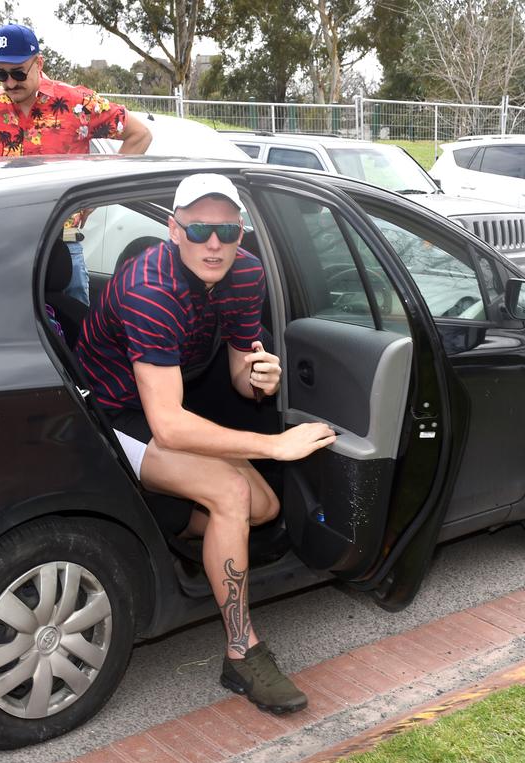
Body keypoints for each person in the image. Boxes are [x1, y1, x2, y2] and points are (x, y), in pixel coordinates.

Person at [76, 173, 337, 714]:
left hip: (163, 405)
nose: (213, 243)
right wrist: (277, 446)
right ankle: (242, 653)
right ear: (174, 230)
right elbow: (169, 426)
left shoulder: (245, 274)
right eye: (198, 229)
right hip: (105, 414)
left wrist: (259, 376)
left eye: (226, 229)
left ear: (241, 232)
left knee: (261, 507)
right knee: (233, 496)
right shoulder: (149, 288)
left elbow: (242, 369)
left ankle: (172, 524)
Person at [0, 23, 151, 304]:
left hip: (63, 243)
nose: (10, 83)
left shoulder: (78, 103)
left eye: (18, 73)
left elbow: (139, 134)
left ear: (39, 63)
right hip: (2, 245)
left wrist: (96, 198)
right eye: (1, 73)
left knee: (71, 334)